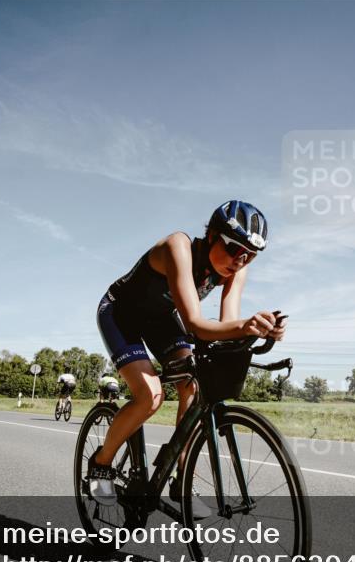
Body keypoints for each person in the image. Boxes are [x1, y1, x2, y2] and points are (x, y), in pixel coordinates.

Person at [91, 200, 285, 516]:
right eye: (234, 249)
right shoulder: (177, 246)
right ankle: (100, 464)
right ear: (211, 235)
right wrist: (245, 325)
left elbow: (225, 326)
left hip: (161, 319)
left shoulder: (237, 268)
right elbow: (196, 323)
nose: (240, 260)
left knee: (193, 388)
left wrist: (263, 330)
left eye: (250, 255)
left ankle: (182, 479)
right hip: (121, 313)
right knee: (150, 396)